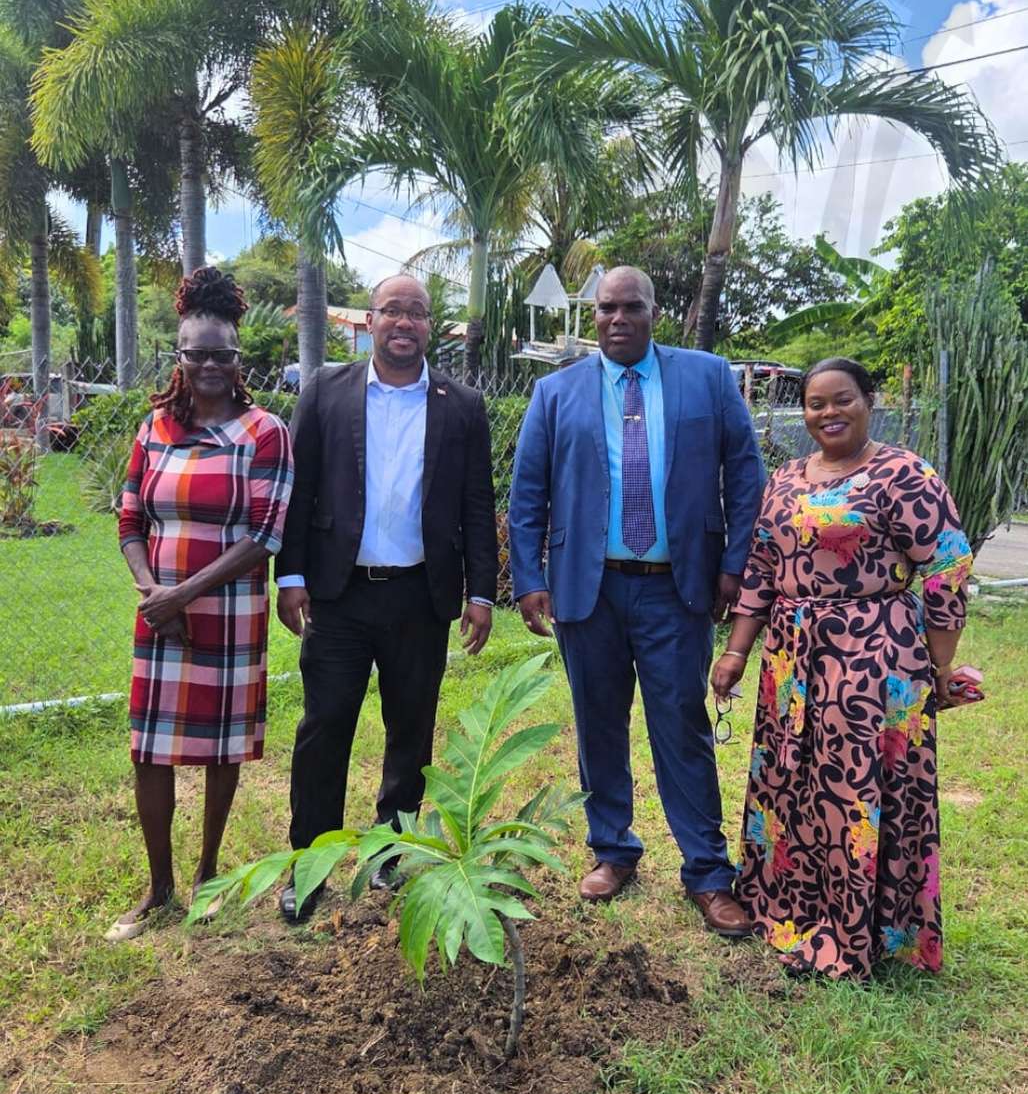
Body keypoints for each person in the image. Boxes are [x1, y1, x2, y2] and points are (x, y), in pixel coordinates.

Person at [509, 266, 765, 933]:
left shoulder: (706, 377)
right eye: (605, 309)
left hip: (677, 590)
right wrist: (529, 579)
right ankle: (613, 849)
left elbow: (745, 470)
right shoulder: (554, 391)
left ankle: (708, 872)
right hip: (586, 589)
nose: (617, 319)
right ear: (593, 316)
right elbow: (527, 493)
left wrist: (736, 562)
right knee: (597, 720)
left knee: (681, 723)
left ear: (656, 312)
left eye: (631, 307)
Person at [711, 357, 975, 981]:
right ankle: (790, 907)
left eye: (842, 400)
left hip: (875, 659)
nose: (828, 413)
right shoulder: (784, 479)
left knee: (856, 790)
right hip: (790, 661)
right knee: (791, 781)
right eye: (815, 404)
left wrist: (938, 667)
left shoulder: (904, 474)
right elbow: (762, 572)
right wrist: (736, 651)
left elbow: (947, 566)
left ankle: (856, 930)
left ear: (869, 400)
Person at [275, 274, 498, 921]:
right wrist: (291, 577)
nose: (404, 322)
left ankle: (390, 853)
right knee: (324, 730)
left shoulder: (462, 406)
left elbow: (478, 507)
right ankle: (307, 865)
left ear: (432, 327)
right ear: (369, 320)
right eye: (392, 311)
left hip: (420, 597)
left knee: (411, 734)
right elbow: (301, 486)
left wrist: (480, 592)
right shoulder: (325, 392)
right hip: (340, 598)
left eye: (418, 314)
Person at [108, 267, 293, 941]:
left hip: (226, 609)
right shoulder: (153, 428)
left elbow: (265, 537)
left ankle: (209, 876)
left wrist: (184, 593)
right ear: (179, 357)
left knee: (219, 749)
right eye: (196, 353)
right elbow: (129, 521)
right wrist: (155, 593)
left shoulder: (264, 433)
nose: (209, 365)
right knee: (149, 749)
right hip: (160, 609)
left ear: (238, 358)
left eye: (222, 353)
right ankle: (159, 889)